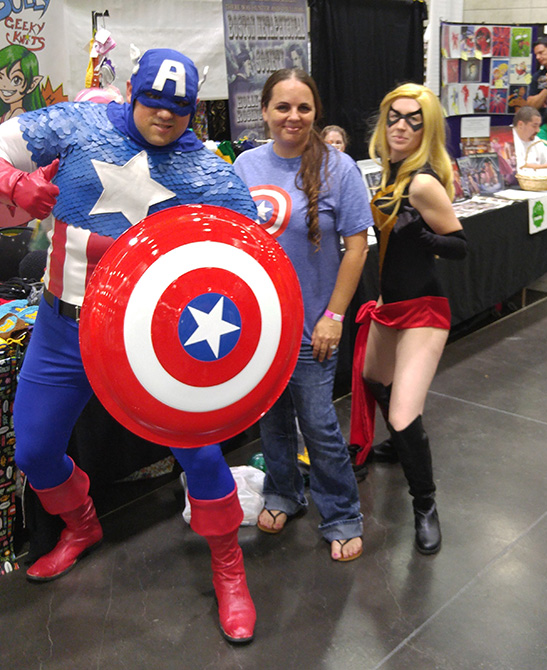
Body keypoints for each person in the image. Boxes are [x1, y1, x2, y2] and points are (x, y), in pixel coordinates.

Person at [0, 48, 258, 644]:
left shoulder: (210, 172)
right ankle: (80, 524)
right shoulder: (77, 124)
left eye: (180, 108)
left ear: (193, 109)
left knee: (201, 456)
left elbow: (251, 254)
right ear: (133, 93)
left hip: (149, 345)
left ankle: (228, 566)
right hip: (64, 327)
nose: (165, 117)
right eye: (154, 102)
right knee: (35, 451)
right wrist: (17, 182)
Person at [234, 68, 371, 562]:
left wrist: (333, 315)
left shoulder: (340, 168)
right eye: (283, 107)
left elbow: (356, 248)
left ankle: (340, 513)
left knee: (317, 424)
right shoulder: (246, 165)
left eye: (304, 108)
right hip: (260, 327)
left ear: (316, 112)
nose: (294, 117)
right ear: (265, 111)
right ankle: (283, 492)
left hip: (314, 326)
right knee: (270, 418)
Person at [349, 83, 467, 555]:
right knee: (373, 377)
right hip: (391, 308)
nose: (401, 126)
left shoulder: (420, 182)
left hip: (424, 311)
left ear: (427, 129)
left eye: (413, 121)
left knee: (401, 412)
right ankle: (400, 448)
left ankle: (425, 504)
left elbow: (460, 246)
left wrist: (426, 238)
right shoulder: (389, 173)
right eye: (394, 117)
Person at [512, 105, 547, 171]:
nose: (538, 130)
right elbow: (518, 167)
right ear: (520, 125)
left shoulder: (536, 140)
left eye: (539, 126)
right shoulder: (509, 140)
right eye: (534, 126)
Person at [0, 44, 46, 122]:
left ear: (32, 84)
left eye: (16, 80)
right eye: (0, 78)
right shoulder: (7, 113)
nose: (4, 85)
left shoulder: (18, 113)